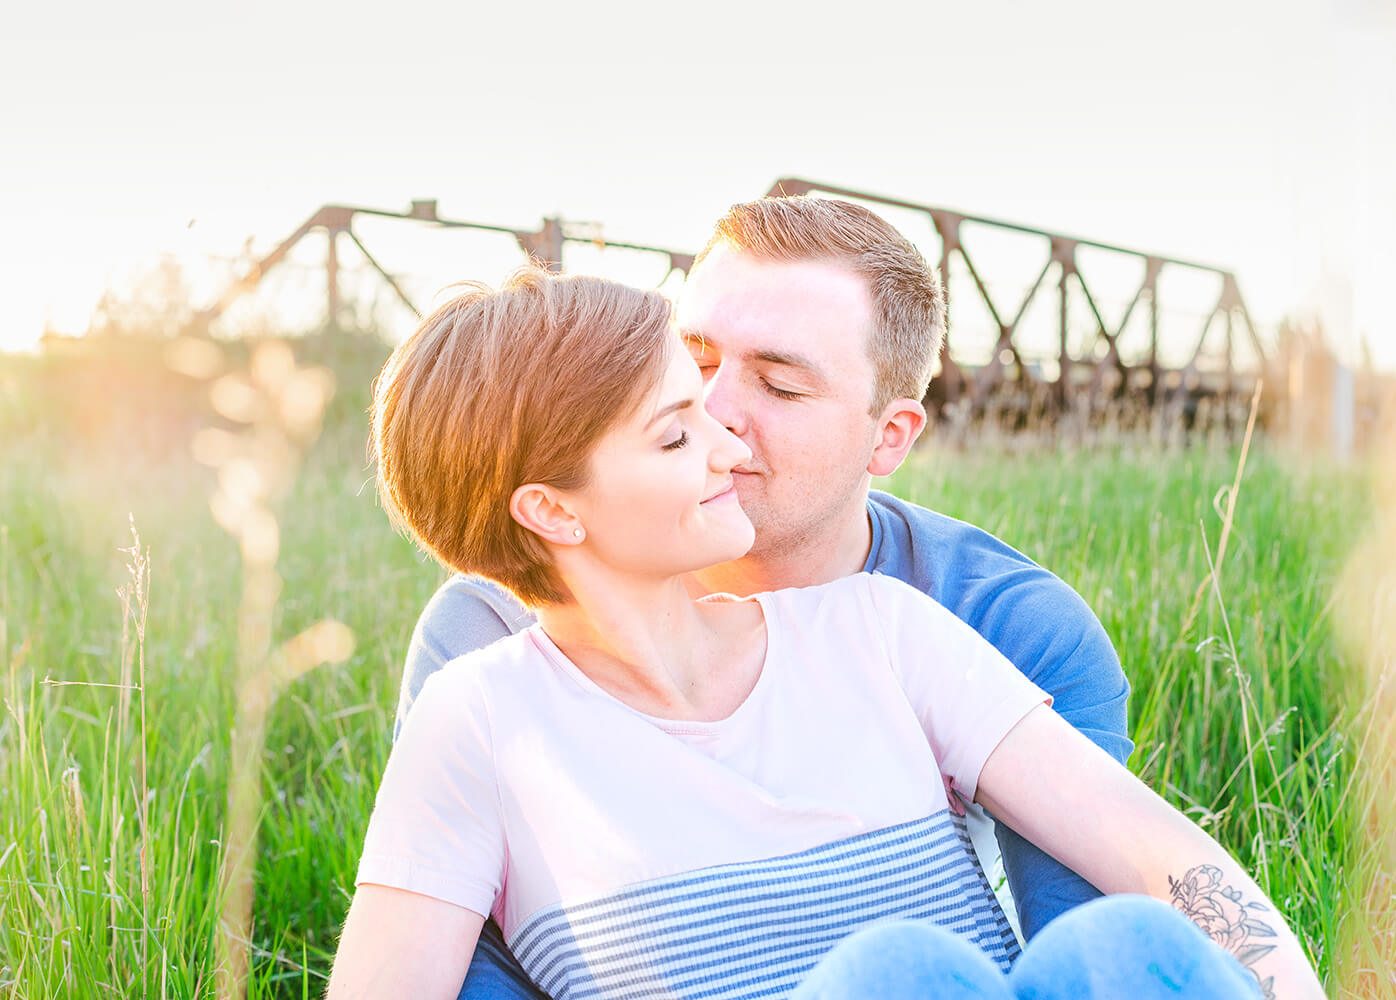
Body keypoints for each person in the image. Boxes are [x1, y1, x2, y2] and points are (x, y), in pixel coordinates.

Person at [327, 264, 1325, 999]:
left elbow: (1163, 857)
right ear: (552, 510)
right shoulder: (481, 717)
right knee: (899, 971)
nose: (729, 443)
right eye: (677, 431)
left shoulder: (879, 629)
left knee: (1115, 948)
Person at [398, 197, 1131, 998]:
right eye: (693, 360)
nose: (713, 411)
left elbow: (1080, 946)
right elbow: (462, 964)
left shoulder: (1002, 622)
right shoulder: (495, 631)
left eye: (780, 386)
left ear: (890, 435)